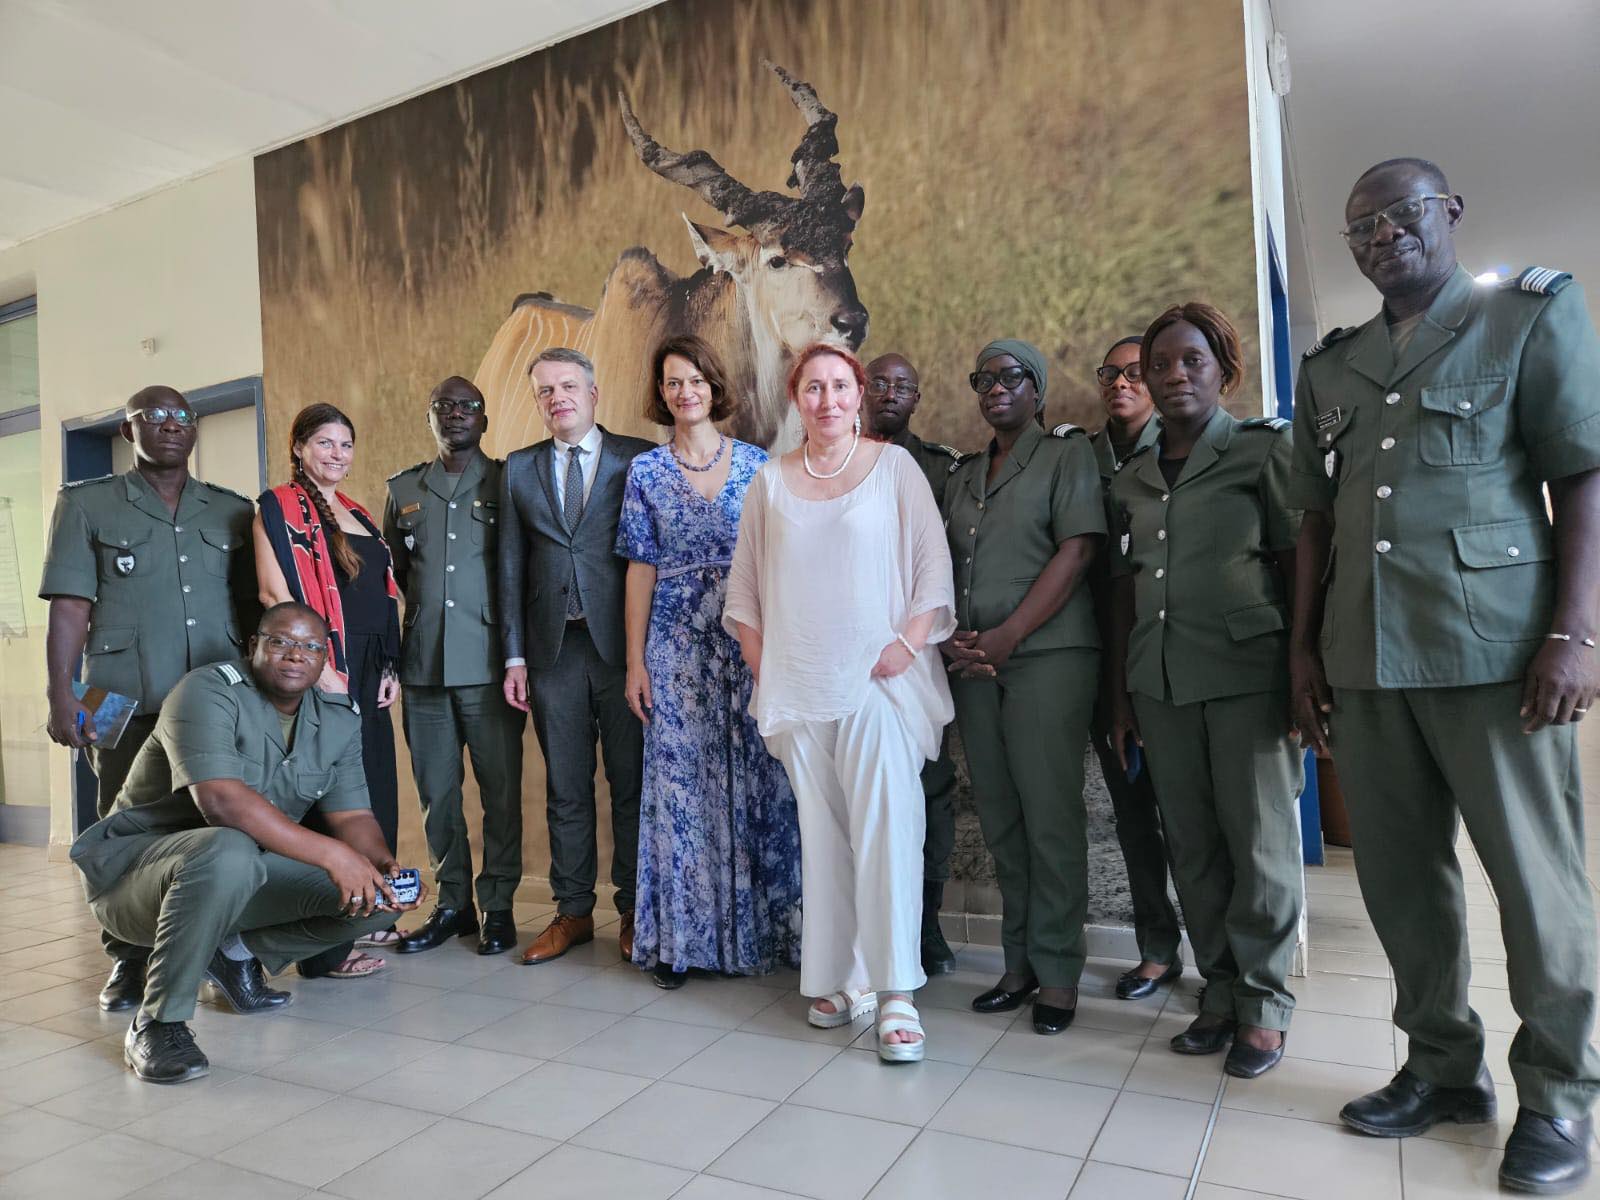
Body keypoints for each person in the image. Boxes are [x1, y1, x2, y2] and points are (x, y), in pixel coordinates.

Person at [1288, 157, 1600, 1194]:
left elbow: (1580, 471)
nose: (1382, 236)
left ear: (1449, 213)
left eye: (1401, 215)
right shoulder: (1330, 368)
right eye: (1361, 227)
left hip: (1493, 653)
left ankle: (1558, 1096)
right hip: (1365, 656)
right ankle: (1442, 1066)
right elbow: (1316, 522)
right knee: (1401, 886)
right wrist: (1303, 651)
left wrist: (1576, 632)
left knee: (1533, 884)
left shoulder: (1524, 317)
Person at [69, 603, 425, 1084]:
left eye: (310, 646)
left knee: (378, 901)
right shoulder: (206, 691)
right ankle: (158, 1023)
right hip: (136, 879)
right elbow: (222, 803)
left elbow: (354, 814)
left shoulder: (337, 718)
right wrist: (336, 855)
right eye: (280, 641)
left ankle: (232, 952)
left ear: (325, 660)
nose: (295, 655)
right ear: (253, 645)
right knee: (226, 848)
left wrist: (379, 863)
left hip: (237, 877)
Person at [726, 343, 955, 1063]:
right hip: (799, 688)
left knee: (887, 829)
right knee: (823, 836)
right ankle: (839, 978)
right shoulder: (769, 483)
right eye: (813, 388)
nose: (827, 400)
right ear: (797, 399)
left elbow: (931, 569)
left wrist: (908, 646)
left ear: (859, 395)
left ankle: (895, 992)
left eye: (839, 386)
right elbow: (746, 593)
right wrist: (767, 668)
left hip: (878, 683)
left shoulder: (895, 470)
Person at [1105, 302, 1304, 1080]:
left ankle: (1263, 1006)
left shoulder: (1263, 451)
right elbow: (1126, 589)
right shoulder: (1136, 475)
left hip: (1248, 677)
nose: (1174, 375)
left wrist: (1300, 675)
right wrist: (1123, 696)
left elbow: (1296, 566)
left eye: (1193, 361)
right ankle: (1218, 990)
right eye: (1161, 365)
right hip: (1162, 681)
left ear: (1224, 368)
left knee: (1259, 846)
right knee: (1192, 845)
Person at [39, 384, 257, 1015]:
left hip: (212, 695)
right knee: (120, 826)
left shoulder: (229, 510)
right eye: (154, 417)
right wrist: (62, 694)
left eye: (182, 417)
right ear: (130, 430)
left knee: (217, 821)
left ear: (195, 431)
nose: (170, 425)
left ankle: (219, 947)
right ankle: (128, 960)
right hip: (116, 695)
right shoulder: (88, 504)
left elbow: (250, 610)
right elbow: (71, 609)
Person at [618, 335, 803, 989]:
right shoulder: (644, 472)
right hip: (674, 650)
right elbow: (640, 570)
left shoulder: (758, 465)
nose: (684, 391)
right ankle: (682, 942)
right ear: (661, 393)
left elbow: (781, 563)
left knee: (758, 783)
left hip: (745, 642)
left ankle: (761, 933)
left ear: (713, 386)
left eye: (695, 379)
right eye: (672, 381)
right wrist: (636, 664)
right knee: (681, 794)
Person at [943, 339, 1105, 1036]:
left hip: (1047, 659)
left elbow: (1079, 551)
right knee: (1002, 816)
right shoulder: (965, 473)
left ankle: (1060, 972)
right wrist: (952, 633)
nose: (996, 388)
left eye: (1012, 377)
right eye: (985, 379)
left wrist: (1008, 635)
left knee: (1050, 818)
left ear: (1036, 389)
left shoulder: (1067, 458)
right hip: (974, 665)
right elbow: (939, 558)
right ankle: (1019, 963)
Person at [499, 347, 654, 965]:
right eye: (544, 391)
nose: (557, 397)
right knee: (565, 787)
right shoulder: (517, 468)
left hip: (622, 649)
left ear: (593, 393)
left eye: (568, 386)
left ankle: (637, 910)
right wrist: (514, 658)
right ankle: (572, 912)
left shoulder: (638, 458)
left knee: (630, 784)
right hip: (551, 653)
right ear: (537, 403)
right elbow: (509, 568)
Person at [254, 403, 402, 978]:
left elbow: (383, 598)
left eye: (345, 445)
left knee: (374, 791)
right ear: (298, 447)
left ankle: (374, 912)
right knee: (329, 802)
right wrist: (319, 665)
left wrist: (389, 666)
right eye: (324, 443)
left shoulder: (358, 511)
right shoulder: (277, 507)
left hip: (370, 666)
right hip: (322, 665)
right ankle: (323, 951)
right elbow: (273, 594)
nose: (336, 455)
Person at [383, 377, 525, 957]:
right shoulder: (402, 489)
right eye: (444, 406)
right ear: (430, 418)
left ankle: (498, 907)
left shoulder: (509, 482)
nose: (457, 414)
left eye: (469, 407)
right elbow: (392, 576)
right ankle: (453, 904)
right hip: (424, 668)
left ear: (485, 421)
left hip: (490, 664)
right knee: (437, 794)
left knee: (500, 793)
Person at [1084, 338, 1184, 1001]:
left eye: (1133, 372)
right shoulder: (1079, 456)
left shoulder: (1182, 446)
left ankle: (1229, 962)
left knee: (1192, 817)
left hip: (1173, 657)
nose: (1121, 383)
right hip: (1101, 657)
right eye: (1110, 374)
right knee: (1133, 814)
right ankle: (1157, 947)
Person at [863, 352, 964, 977]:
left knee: (928, 796)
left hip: (920, 658)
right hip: (849, 662)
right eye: (879, 382)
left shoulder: (941, 471)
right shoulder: (831, 465)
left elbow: (947, 564)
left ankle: (924, 930)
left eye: (903, 385)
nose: (890, 393)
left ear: (918, 397)